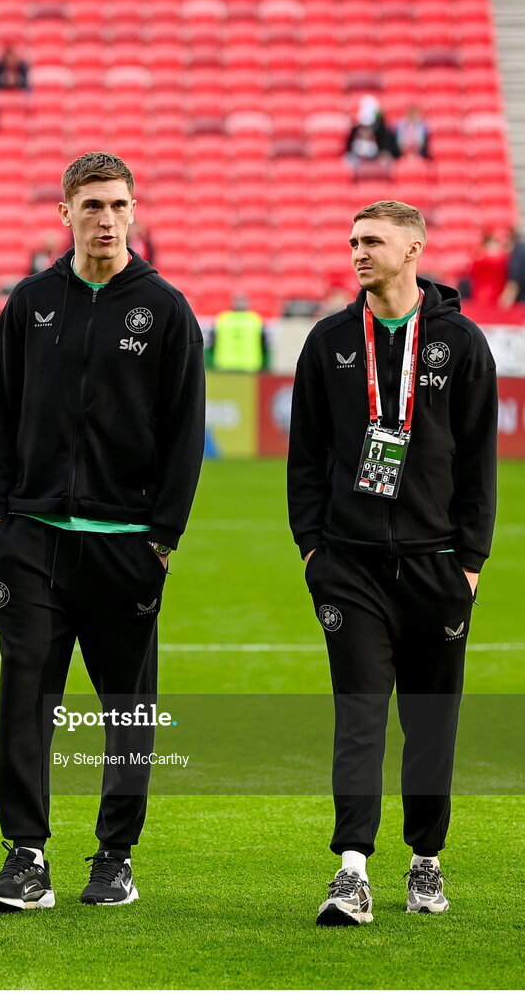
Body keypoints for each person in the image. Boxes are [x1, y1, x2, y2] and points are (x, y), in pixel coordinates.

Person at [0, 151, 205, 912]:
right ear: (64, 212)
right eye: (91, 206)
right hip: (33, 539)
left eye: (117, 205)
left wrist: (160, 537)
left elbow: (182, 435)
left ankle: (114, 855)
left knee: (127, 709)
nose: (105, 220)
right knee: (25, 699)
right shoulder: (31, 301)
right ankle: (25, 855)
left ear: (133, 211)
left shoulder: (165, 308)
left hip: (125, 542)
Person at [287, 201, 497, 927]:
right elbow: (305, 458)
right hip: (348, 566)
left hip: (437, 567)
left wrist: (468, 562)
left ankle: (424, 862)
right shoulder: (329, 342)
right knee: (359, 715)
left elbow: (478, 464)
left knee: (430, 721)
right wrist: (313, 549)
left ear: (413, 249)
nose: (356, 252)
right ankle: (350, 869)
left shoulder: (461, 345)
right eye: (351, 241)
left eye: (371, 240)